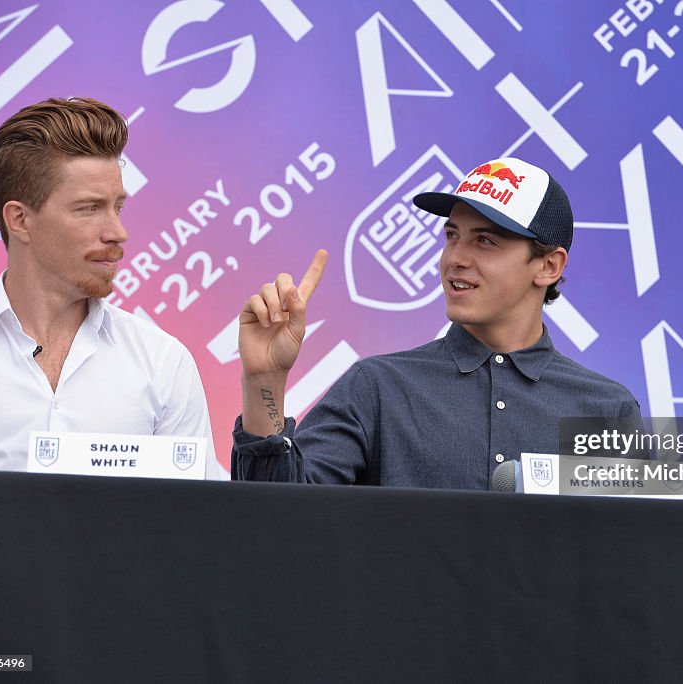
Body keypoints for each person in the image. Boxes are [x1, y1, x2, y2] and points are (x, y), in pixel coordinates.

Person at [232, 157, 642, 488]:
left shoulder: (607, 409)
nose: (454, 258)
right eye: (451, 235)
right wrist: (264, 383)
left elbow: (632, 561)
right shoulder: (377, 387)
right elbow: (279, 522)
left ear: (549, 266)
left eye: (484, 240)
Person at [0, 97, 225, 479]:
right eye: (89, 208)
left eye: (118, 207)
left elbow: (197, 521)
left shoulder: (162, 361)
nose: (118, 232)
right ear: (20, 219)